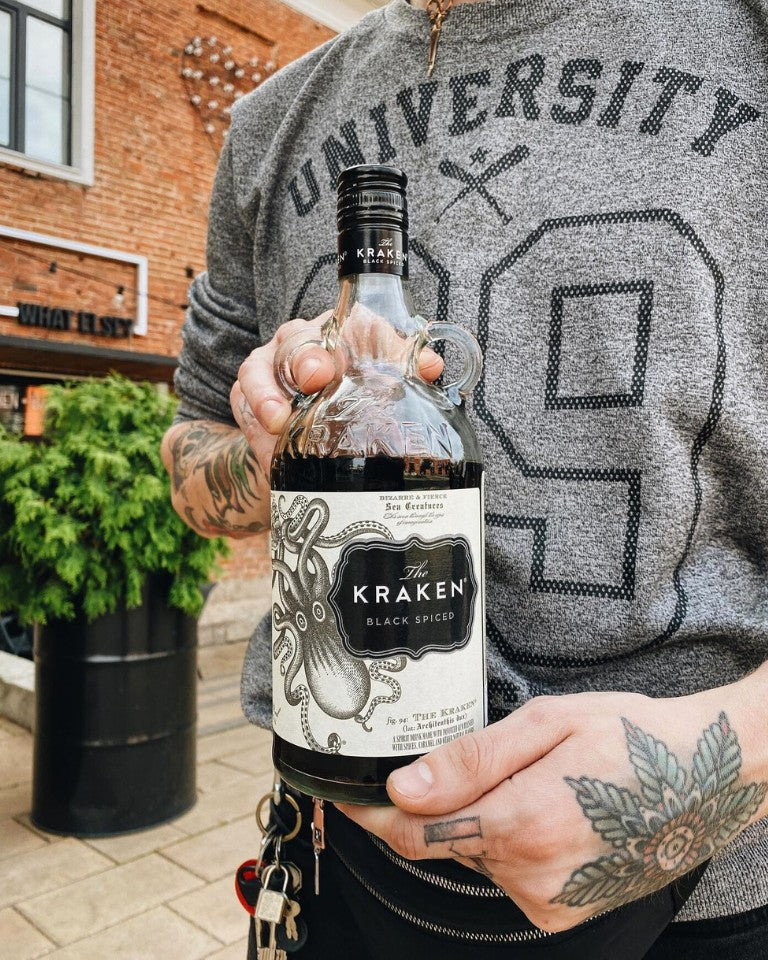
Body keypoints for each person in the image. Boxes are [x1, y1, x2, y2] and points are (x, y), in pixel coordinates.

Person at [161, 0, 768, 955]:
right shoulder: (271, 120)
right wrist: (278, 451)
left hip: (704, 890)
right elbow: (192, 464)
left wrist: (737, 749)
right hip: (343, 838)